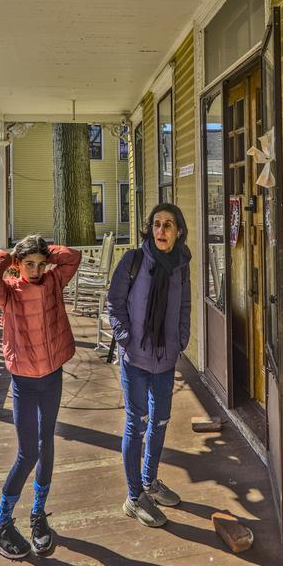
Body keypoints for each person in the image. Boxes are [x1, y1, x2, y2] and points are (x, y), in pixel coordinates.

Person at [0, 235, 81, 559]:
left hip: (52, 377)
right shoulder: (9, 292)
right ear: (18, 265)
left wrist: (46, 252)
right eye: (29, 264)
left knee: (46, 443)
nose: (36, 271)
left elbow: (72, 257)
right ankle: (0, 522)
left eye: (40, 264)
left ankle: (38, 515)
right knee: (27, 453)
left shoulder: (53, 282)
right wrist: (10, 256)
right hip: (24, 381)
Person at [107, 203, 191, 527]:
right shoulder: (133, 261)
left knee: (160, 421)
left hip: (166, 359)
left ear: (178, 232)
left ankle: (149, 481)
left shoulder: (181, 266)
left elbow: (184, 306)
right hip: (136, 358)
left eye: (168, 225)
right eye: (156, 224)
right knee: (137, 424)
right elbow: (115, 302)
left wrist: (180, 339)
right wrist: (125, 337)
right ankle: (134, 496)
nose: (161, 230)